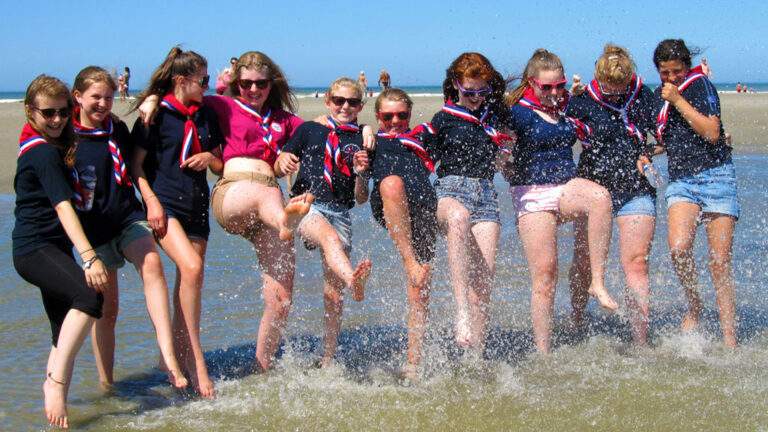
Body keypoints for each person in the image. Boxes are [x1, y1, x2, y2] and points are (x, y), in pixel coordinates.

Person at [138, 51, 315, 372]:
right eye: (245, 83)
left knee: (281, 298)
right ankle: (284, 219)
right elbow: (179, 94)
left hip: (269, 202)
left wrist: (292, 154)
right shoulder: (223, 105)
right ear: (236, 83)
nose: (253, 89)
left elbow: (315, 134)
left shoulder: (283, 119)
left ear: (270, 83)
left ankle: (261, 366)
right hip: (236, 192)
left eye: (260, 83)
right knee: (267, 198)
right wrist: (150, 99)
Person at [70, 66, 189, 389]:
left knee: (152, 263)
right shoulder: (67, 138)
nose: (103, 104)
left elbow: (136, 166)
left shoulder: (117, 129)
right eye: (96, 97)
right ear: (77, 97)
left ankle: (169, 358)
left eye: (108, 97)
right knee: (107, 312)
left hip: (127, 217)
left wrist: (150, 200)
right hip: (93, 232)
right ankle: (106, 383)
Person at [504, 49, 616, 354]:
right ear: (531, 83)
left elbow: (606, 108)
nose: (554, 93)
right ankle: (544, 351)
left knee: (600, 198)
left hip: (566, 186)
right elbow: (490, 135)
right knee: (546, 275)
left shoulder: (566, 105)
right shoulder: (516, 112)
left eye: (559, 86)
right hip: (531, 193)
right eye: (547, 87)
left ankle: (597, 282)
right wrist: (503, 162)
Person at [12, 74, 108, 428]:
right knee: (89, 296)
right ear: (29, 112)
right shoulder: (41, 153)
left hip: (50, 250)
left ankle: (55, 402)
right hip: (34, 250)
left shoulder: (50, 148)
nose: (56, 120)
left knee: (60, 328)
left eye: (63, 113)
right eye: (47, 113)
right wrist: (89, 256)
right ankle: (54, 384)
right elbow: (63, 207)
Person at [131, 47, 224, 397]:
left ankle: (173, 358)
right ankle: (197, 364)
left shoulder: (205, 115)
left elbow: (218, 164)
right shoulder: (155, 115)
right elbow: (135, 167)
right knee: (192, 268)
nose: (208, 84)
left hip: (196, 205)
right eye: (203, 79)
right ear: (181, 80)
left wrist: (208, 157)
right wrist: (151, 203)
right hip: (164, 204)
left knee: (190, 281)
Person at [644, 39, 739, 347]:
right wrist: (649, 152)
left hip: (717, 178)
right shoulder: (662, 97)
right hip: (682, 181)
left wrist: (677, 100)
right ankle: (695, 304)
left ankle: (729, 338)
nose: (671, 78)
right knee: (679, 248)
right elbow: (676, 140)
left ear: (687, 67)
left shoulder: (700, 87)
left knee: (719, 261)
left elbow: (711, 133)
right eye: (664, 73)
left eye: (676, 71)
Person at [274, 77, 372, 367]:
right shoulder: (309, 129)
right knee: (328, 239)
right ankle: (353, 278)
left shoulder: (362, 141)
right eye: (339, 101)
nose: (345, 106)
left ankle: (327, 356)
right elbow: (281, 164)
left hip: (341, 212)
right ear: (328, 101)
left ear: (360, 106)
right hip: (307, 206)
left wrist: (362, 174)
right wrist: (285, 162)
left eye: (352, 102)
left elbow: (362, 198)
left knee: (333, 294)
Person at [566, 45, 658, 345]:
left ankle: (640, 339)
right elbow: (555, 131)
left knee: (637, 262)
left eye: (621, 89)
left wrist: (645, 152)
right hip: (594, 192)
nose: (615, 95)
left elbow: (662, 135)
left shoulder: (643, 96)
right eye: (609, 89)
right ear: (598, 77)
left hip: (636, 190)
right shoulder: (581, 101)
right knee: (583, 261)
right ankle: (577, 319)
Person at [427, 52, 512, 353]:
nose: (476, 98)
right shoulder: (444, 119)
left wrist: (506, 156)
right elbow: (421, 161)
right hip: (451, 193)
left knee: (483, 287)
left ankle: (476, 355)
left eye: (481, 92)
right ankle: (460, 311)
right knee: (459, 217)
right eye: (469, 92)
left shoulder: (494, 116)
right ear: (455, 86)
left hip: (487, 197)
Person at [368, 88, 437, 378]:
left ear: (409, 114)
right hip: (390, 202)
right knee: (393, 183)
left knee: (419, 291)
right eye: (387, 116)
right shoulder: (370, 140)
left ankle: (413, 362)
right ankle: (409, 259)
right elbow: (330, 126)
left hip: (423, 209)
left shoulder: (421, 137)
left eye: (401, 115)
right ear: (377, 116)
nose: (395, 120)